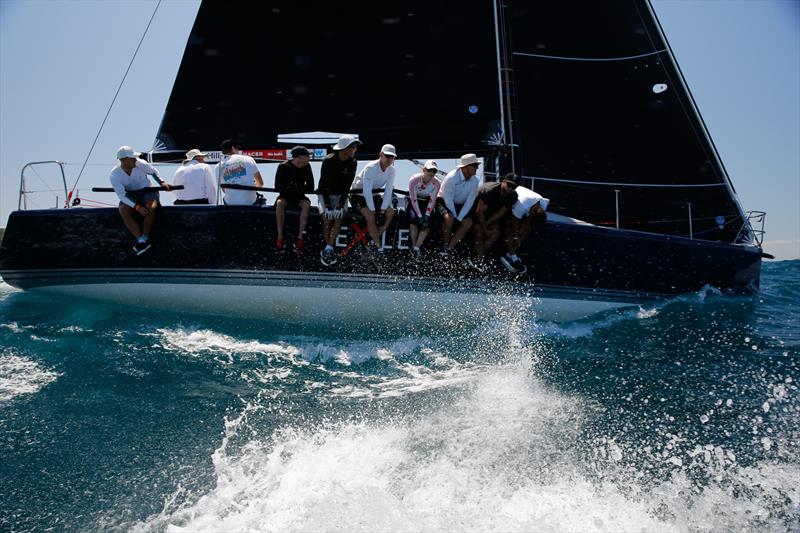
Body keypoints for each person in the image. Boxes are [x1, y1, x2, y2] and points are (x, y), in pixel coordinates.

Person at [109, 145, 172, 255]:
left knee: (151, 206)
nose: (135, 159)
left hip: (147, 191)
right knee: (123, 210)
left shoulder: (140, 163)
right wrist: (137, 207)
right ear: (124, 160)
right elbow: (122, 195)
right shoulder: (114, 175)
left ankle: (145, 235)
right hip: (130, 194)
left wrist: (162, 182)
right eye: (132, 158)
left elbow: (153, 172)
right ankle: (141, 241)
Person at [318, 134, 360, 265]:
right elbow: (323, 185)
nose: (355, 149)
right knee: (327, 218)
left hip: (341, 194)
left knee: (338, 218)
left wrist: (341, 204)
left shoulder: (353, 162)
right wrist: (329, 206)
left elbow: (347, 185)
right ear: (344, 149)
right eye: (353, 147)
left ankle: (328, 249)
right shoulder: (328, 161)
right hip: (325, 194)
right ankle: (328, 248)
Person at [350, 144, 397, 253]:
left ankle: (372, 240)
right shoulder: (370, 167)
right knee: (371, 217)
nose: (390, 159)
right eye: (387, 156)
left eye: (392, 157)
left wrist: (383, 209)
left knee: (390, 212)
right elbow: (366, 192)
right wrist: (373, 210)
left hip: (374, 195)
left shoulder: (392, 171)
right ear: (380, 155)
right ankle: (379, 248)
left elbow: (388, 190)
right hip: (357, 195)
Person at [469, 175, 519, 272]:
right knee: (479, 232)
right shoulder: (489, 191)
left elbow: (501, 212)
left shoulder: (513, 196)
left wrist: (488, 224)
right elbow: (479, 211)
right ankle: (479, 259)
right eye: (509, 185)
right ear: (503, 182)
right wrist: (484, 228)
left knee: (495, 234)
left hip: (491, 214)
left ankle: (477, 258)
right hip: (476, 210)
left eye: (514, 187)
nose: (511, 189)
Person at [500, 182, 550, 273]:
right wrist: (516, 236)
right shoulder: (521, 207)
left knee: (528, 229)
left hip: (526, 206)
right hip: (511, 203)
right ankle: (511, 256)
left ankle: (510, 254)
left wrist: (521, 234)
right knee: (510, 230)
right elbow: (515, 223)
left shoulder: (543, 204)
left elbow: (529, 221)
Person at [437, 153, 482, 254]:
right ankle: (445, 245)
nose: (477, 168)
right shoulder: (451, 178)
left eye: (477, 166)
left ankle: (449, 249)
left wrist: (460, 218)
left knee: (468, 222)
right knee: (449, 219)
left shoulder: (475, 181)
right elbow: (448, 200)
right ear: (466, 167)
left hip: (460, 205)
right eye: (475, 166)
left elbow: (470, 202)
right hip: (444, 201)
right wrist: (455, 217)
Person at [274, 146, 314, 254]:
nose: (308, 159)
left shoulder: (307, 167)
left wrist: (297, 189)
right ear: (299, 157)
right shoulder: (283, 166)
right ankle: (280, 237)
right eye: (306, 157)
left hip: (299, 196)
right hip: (285, 195)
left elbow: (311, 186)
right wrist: (290, 188)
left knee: (306, 204)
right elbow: (277, 186)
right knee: (280, 203)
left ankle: (300, 238)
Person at [407, 160, 441, 258]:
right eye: (429, 170)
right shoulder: (414, 180)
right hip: (413, 200)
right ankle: (413, 246)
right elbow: (413, 199)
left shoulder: (437, 183)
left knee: (427, 223)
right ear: (424, 170)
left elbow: (433, 199)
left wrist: (426, 215)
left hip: (426, 201)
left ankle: (417, 248)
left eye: (434, 171)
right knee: (414, 220)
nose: (432, 173)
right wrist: (419, 215)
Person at [218, 139, 264, 205]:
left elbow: (224, 190)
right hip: (250, 202)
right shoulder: (249, 159)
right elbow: (260, 183)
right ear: (233, 148)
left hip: (230, 203)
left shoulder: (219, 166)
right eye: (237, 149)